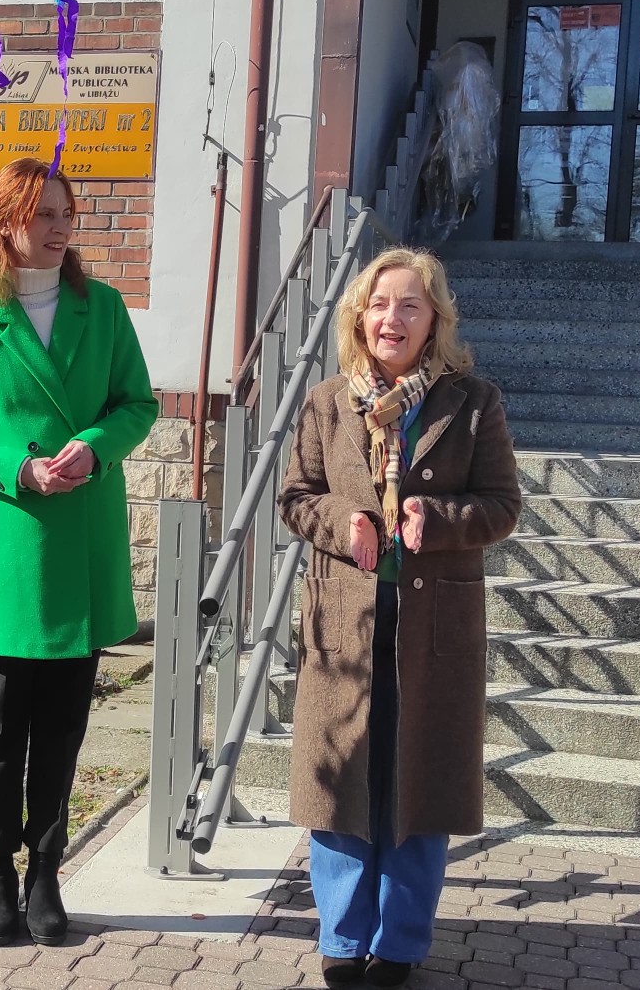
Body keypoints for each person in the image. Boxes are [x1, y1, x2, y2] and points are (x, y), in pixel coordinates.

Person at [0, 158, 159, 947]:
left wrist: (94, 445)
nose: (59, 227)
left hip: (82, 537)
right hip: (14, 541)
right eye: (41, 213)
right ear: (4, 221)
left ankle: (46, 870)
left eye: (65, 212)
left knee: (61, 725)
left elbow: (137, 403)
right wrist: (16, 468)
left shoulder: (102, 307)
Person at [277, 247, 519, 986]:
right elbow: (295, 497)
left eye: (410, 304)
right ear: (359, 317)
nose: (393, 318)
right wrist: (344, 522)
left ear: (434, 319)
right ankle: (343, 938)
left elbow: (503, 506)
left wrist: (436, 520)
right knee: (341, 782)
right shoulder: (327, 401)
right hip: (344, 624)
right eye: (380, 304)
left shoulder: (473, 402)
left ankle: (401, 943)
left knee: (419, 784)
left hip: (434, 627)